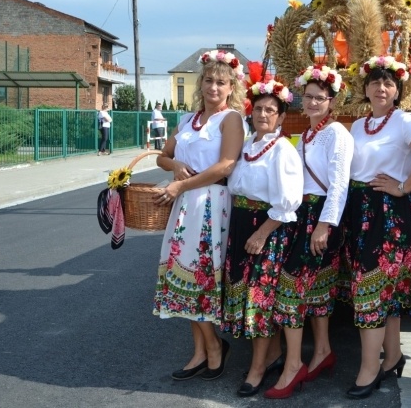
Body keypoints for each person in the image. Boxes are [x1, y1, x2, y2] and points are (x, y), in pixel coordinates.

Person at [340, 55, 411, 400]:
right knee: (386, 294)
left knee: (370, 289)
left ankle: (370, 369)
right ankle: (393, 354)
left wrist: (404, 187)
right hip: (359, 210)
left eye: (388, 83)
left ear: (398, 90)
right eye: (374, 83)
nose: (381, 88)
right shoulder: (358, 126)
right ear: (365, 89)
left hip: (388, 213)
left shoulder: (404, 121)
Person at [151, 49, 246, 381]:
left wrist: (182, 185)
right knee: (182, 276)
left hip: (210, 203)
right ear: (200, 83)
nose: (214, 88)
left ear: (231, 86)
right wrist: (174, 164)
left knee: (200, 277)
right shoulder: (188, 120)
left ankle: (215, 347)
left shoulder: (230, 119)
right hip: (185, 204)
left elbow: (226, 165)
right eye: (208, 80)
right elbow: (162, 156)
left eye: (221, 82)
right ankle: (201, 350)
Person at [267, 65, 354, 399]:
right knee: (315, 290)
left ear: (331, 102)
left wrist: (324, 224)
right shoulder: (304, 134)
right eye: (309, 97)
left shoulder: (337, 134)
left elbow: (339, 184)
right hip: (302, 214)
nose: (314, 102)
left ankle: (293, 366)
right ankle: (322, 351)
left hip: (321, 217)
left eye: (321, 98)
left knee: (291, 289)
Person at [223, 80, 303, 398]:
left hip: (266, 227)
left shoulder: (282, 149)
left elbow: (288, 201)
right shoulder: (244, 146)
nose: (263, 114)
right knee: (244, 295)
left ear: (281, 117)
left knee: (259, 300)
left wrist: (262, 233)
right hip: (241, 223)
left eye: (271, 110)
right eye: (258, 108)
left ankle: (257, 370)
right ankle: (271, 356)